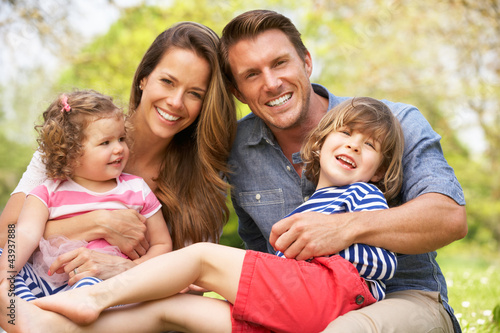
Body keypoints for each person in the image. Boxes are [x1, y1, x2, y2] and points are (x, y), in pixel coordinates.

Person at [0, 96, 404, 333]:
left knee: (199, 258)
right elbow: (21, 233)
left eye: (368, 146)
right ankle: (47, 326)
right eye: (346, 135)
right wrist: (6, 265)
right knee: (169, 310)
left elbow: (379, 262)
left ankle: (89, 301)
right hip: (294, 309)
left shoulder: (363, 195)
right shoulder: (47, 188)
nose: (353, 147)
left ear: (380, 169)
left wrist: (341, 243)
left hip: (334, 297)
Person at [219, 9, 467, 333]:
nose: (271, 82)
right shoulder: (237, 152)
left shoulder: (396, 123)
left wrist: (344, 227)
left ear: (306, 62)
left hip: (403, 300)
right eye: (251, 74)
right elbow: (261, 257)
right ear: (238, 92)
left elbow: (449, 217)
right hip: (304, 308)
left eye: (280, 63)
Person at [0, 22, 237, 286]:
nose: (176, 101)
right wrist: (99, 222)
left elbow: (196, 284)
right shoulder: (73, 142)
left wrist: (125, 269)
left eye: (195, 94)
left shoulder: (203, 177)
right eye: (168, 82)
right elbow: (5, 237)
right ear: (144, 78)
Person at [0, 90, 172, 301]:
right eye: (105, 143)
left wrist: (132, 270)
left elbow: (162, 245)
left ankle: (51, 318)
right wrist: (6, 270)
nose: (119, 148)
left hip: (103, 284)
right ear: (70, 154)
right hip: (45, 281)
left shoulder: (137, 189)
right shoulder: (47, 192)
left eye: (121, 138)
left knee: (90, 283)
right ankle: (26, 315)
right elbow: (25, 233)